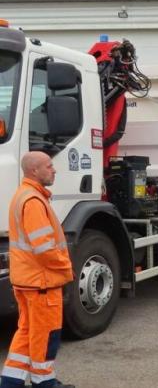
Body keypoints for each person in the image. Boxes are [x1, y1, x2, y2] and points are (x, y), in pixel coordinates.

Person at [1, 152, 74, 388]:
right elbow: (44, 249)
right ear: (34, 171)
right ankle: (45, 383)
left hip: (27, 281)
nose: (54, 170)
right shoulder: (33, 201)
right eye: (49, 166)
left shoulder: (24, 196)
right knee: (46, 335)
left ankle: (10, 382)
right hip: (42, 283)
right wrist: (66, 268)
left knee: (26, 333)